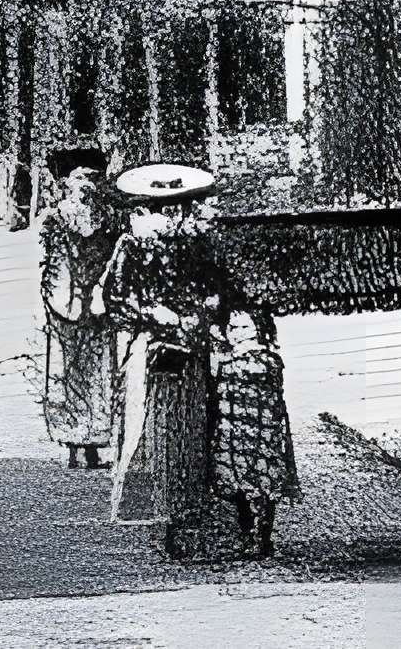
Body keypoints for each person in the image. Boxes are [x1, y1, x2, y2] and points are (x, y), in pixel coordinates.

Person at [103, 161, 246, 561]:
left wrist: (205, 312)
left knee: (196, 434)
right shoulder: (132, 248)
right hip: (153, 353)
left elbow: (221, 291)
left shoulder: (199, 246)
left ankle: (194, 517)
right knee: (160, 433)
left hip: (195, 354)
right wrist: (154, 314)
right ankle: (165, 520)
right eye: (163, 208)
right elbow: (116, 299)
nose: (172, 216)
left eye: (180, 207)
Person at [37, 146, 122, 469]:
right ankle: (72, 443)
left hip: (100, 307)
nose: (87, 185)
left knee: (100, 373)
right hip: (66, 305)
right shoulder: (56, 218)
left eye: (93, 178)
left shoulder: (109, 219)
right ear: (68, 182)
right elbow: (51, 265)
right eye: (81, 178)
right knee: (67, 372)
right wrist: (57, 299)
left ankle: (94, 445)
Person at [209, 304, 299, 557]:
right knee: (236, 485)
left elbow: (272, 400)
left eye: (244, 327)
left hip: (261, 432)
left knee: (262, 484)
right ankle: (248, 535)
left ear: (258, 329)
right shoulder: (223, 361)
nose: (237, 333)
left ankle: (262, 538)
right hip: (231, 430)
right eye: (233, 327)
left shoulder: (266, 361)